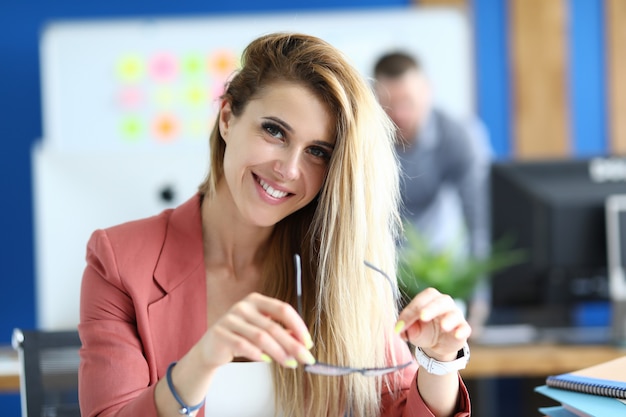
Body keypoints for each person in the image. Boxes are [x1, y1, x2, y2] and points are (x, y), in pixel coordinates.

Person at [78, 33, 471, 417]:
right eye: (274, 131)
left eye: (317, 152)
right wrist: (202, 361)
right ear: (228, 118)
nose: (288, 169)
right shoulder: (120, 263)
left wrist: (439, 362)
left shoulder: (338, 266)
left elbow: (397, 407)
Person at [373, 51, 493, 328]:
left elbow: (478, 223)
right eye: (389, 104)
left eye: (408, 102)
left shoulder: (460, 136)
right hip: (380, 264)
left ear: (427, 92)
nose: (400, 114)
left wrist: (480, 299)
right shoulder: (362, 138)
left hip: (440, 267)